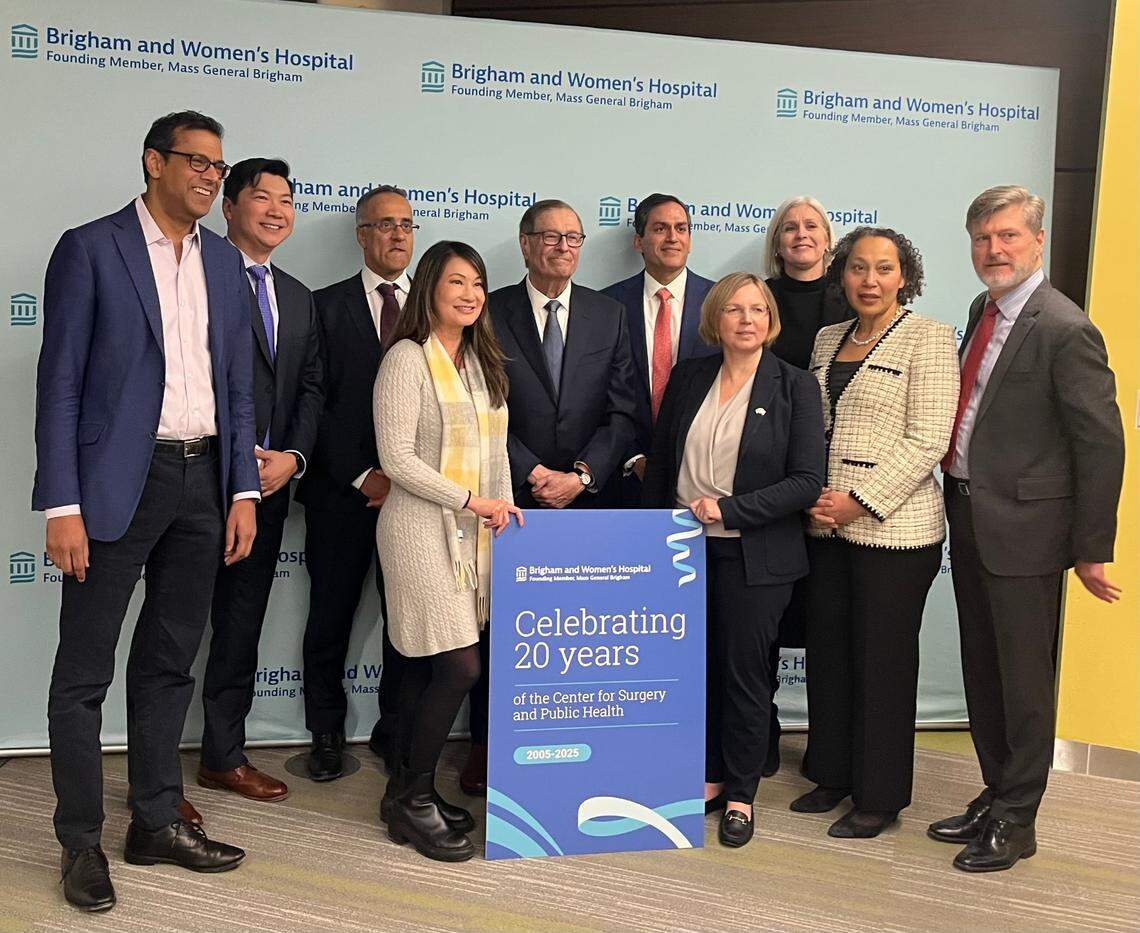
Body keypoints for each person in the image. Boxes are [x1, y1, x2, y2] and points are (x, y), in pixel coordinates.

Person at [33, 111, 258, 912]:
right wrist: (62, 502)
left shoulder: (226, 263)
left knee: (169, 662)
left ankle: (156, 821)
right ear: (153, 163)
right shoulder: (91, 248)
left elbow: (236, 386)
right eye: (194, 161)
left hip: (205, 483)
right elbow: (58, 382)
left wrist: (242, 489)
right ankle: (81, 839)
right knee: (83, 675)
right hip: (112, 487)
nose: (208, 176)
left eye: (217, 166)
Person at [928, 186, 1125, 872]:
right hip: (971, 512)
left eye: (1008, 236)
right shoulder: (983, 308)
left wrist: (1092, 548)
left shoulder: (1064, 327)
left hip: (1030, 530)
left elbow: (1102, 443)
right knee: (983, 669)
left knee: (1023, 680)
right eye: (983, 238)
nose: (994, 250)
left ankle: (1019, 818)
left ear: (1037, 241)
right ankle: (996, 790)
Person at [454, 200, 638, 796]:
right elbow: (480, 405)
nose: (562, 247)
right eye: (549, 236)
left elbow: (624, 409)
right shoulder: (491, 310)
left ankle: (576, 748)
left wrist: (582, 475)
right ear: (525, 243)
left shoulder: (609, 315)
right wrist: (533, 472)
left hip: (589, 503)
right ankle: (486, 749)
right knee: (502, 632)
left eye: (572, 237)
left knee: (578, 637)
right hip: (510, 499)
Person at [642, 272, 824, 848]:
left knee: (744, 677)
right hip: (680, 553)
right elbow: (663, 462)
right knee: (694, 672)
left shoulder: (794, 386)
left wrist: (730, 509)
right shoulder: (690, 376)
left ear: (771, 320)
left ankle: (742, 793)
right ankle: (709, 776)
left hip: (755, 556)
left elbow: (806, 482)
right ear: (714, 320)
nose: (747, 320)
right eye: (734, 311)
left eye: (757, 309)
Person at [791, 227, 958, 838]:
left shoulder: (930, 338)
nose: (869, 280)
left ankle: (880, 795)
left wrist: (860, 502)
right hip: (824, 524)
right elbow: (816, 426)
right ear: (843, 276)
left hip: (895, 530)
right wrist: (814, 497)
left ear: (903, 277)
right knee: (829, 654)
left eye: (883, 269)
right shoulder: (827, 338)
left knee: (882, 663)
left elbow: (928, 439)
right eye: (858, 268)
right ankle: (831, 773)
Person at [373, 241, 522, 862]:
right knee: (459, 667)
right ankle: (411, 800)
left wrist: (504, 510)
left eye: (478, 284)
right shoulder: (407, 359)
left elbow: (498, 455)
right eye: (456, 282)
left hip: (473, 532)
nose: (469, 294)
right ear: (430, 287)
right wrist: (470, 501)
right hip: (417, 529)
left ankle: (411, 793)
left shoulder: (482, 362)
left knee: (431, 665)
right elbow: (396, 458)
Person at [197, 158, 324, 803]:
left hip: (269, 490)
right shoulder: (197, 274)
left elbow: (310, 388)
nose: (276, 209)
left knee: (242, 624)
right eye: (261, 197)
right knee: (177, 626)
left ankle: (223, 754)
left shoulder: (298, 295)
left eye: (286, 199)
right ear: (228, 206)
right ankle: (154, 770)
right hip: (196, 481)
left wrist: (292, 457)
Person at [295, 186, 417, 780]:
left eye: (406, 225)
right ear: (361, 234)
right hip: (342, 494)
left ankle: (396, 728)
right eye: (384, 224)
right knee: (331, 617)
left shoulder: (438, 306)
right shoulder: (323, 306)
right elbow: (314, 403)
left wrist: (407, 479)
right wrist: (363, 474)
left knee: (407, 621)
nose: (397, 235)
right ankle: (325, 733)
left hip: (418, 499)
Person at [760, 195, 854, 775]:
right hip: (769, 483)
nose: (801, 234)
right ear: (778, 240)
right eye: (790, 227)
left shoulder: (856, 302)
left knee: (828, 623)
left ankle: (830, 747)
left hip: (835, 486)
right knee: (765, 620)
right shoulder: (758, 300)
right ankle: (761, 733)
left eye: (812, 226)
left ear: (828, 239)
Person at [601, 193, 718, 505]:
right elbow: (596, 394)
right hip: (623, 478)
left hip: (702, 483)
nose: (672, 238)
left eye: (681, 229)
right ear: (639, 241)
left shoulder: (721, 303)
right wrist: (633, 458)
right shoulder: (607, 306)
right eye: (660, 229)